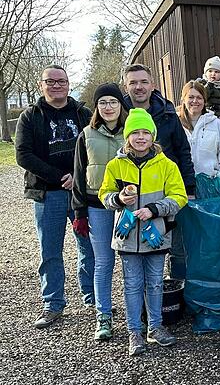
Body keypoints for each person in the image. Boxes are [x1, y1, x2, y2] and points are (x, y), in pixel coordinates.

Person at [99, 108, 188, 356]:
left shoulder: (167, 165)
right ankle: (134, 332)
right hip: (127, 239)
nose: (140, 137)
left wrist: (154, 209)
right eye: (135, 132)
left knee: (156, 283)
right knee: (132, 285)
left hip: (156, 237)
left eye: (145, 132)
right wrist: (119, 199)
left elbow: (179, 197)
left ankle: (156, 327)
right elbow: (104, 196)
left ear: (153, 136)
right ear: (127, 136)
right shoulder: (115, 166)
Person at [15, 65, 94, 329]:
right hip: (48, 195)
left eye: (61, 81)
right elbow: (23, 155)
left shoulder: (83, 114)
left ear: (69, 84)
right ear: (42, 85)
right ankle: (53, 304)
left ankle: (93, 298)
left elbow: (94, 149)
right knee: (50, 250)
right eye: (51, 81)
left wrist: (76, 176)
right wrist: (59, 176)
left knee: (88, 247)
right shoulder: (30, 117)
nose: (56, 85)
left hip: (81, 193)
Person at [122, 64, 195, 279]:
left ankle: (176, 292)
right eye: (133, 82)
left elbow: (183, 150)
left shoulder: (168, 113)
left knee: (175, 246)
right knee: (136, 248)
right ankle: (143, 298)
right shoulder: (118, 113)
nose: (139, 87)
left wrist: (189, 187)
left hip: (166, 192)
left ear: (152, 85)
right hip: (132, 195)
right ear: (126, 86)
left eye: (144, 82)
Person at [72, 83, 128, 340]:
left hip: (128, 205)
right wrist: (79, 212)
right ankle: (103, 315)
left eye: (113, 102)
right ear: (97, 107)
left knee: (131, 262)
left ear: (120, 105)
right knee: (103, 262)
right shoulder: (86, 134)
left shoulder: (132, 131)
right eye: (103, 103)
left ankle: (136, 312)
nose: (108, 107)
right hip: (97, 205)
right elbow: (79, 175)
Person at [177, 80, 220, 189]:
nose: (195, 101)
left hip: (212, 189)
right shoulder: (174, 125)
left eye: (199, 98)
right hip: (181, 190)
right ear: (183, 99)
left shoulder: (217, 125)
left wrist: (219, 184)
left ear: (205, 101)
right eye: (190, 97)